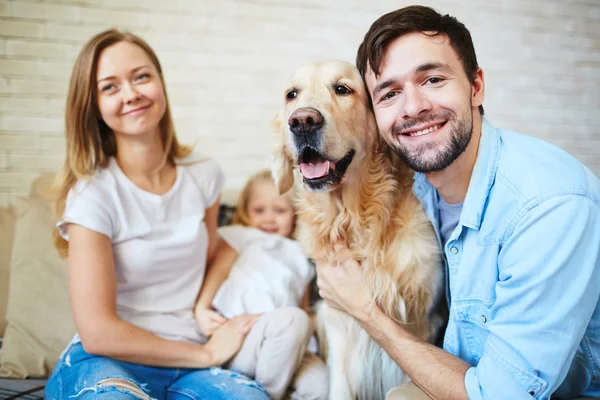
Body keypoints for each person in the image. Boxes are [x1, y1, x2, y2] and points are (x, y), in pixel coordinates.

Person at [315, 5, 600, 400]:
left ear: (476, 85)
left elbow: (502, 395)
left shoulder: (548, 206)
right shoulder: (410, 187)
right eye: (390, 94)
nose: (413, 108)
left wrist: (365, 312)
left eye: (432, 79)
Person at [45, 29, 278, 400]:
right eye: (110, 87)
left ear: (160, 83)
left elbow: (214, 252)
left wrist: (207, 314)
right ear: (93, 105)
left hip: (186, 363)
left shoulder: (203, 174)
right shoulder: (92, 195)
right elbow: (98, 332)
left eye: (141, 77)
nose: (131, 94)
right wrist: (206, 353)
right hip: (107, 360)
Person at [194, 169, 329, 400]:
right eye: (259, 210)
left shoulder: (302, 253)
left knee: (321, 387)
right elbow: (218, 272)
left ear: (296, 213)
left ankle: (270, 390)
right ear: (245, 211)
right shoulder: (241, 236)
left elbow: (303, 308)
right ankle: (265, 395)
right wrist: (201, 309)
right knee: (293, 319)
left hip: (290, 343)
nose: (269, 218)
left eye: (280, 210)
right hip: (242, 338)